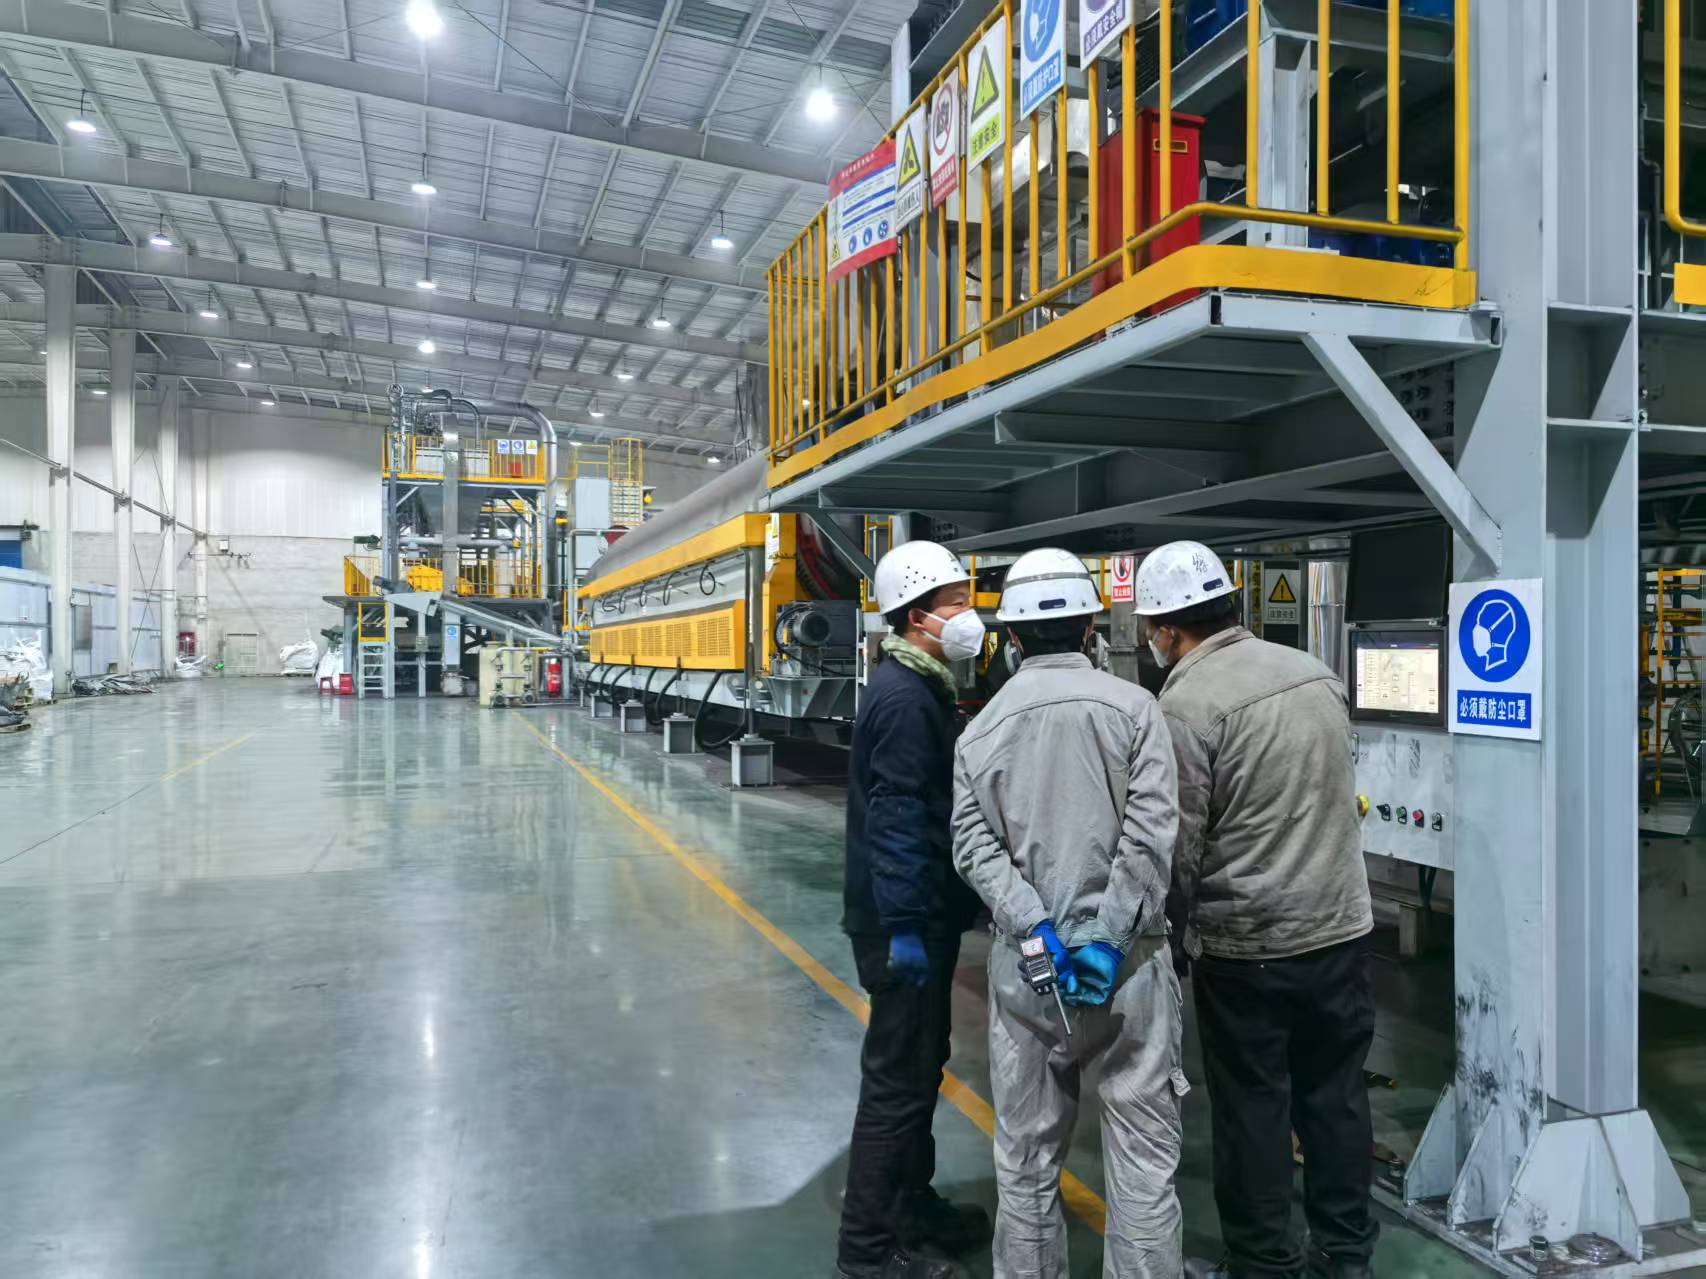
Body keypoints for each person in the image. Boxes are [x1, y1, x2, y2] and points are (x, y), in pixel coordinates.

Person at [1134, 542, 1377, 1279]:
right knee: (1337, 1098)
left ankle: (1265, 1262)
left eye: (1150, 629)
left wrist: (1167, 936)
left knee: (1254, 1107)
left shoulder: (1185, 706)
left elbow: (1178, 843)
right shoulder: (1315, 673)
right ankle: (1345, 1253)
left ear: (1168, 629)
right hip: (1340, 930)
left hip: (1250, 944)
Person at [951, 547, 1185, 1279]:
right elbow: (1151, 836)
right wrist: (1107, 939)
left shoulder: (979, 732)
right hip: (1130, 970)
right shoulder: (1136, 710)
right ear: (1090, 628)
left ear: (1012, 639)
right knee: (1143, 1159)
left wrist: (1035, 926)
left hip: (1031, 974)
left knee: (1026, 1161)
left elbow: (972, 847)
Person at [837, 540, 991, 1279]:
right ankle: (866, 1253)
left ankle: (911, 1205)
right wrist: (902, 927)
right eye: (956, 601)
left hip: (921, 913)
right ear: (918, 614)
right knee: (896, 1082)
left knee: (923, 1066)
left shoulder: (918, 684)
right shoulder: (904, 697)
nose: (969, 612)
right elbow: (897, 815)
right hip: (902, 923)